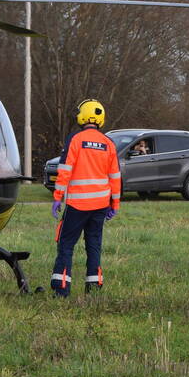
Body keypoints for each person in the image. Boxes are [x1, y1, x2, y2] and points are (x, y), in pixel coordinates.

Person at [50, 99, 122, 298]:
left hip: (77, 205)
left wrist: (57, 197)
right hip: (100, 205)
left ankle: (61, 289)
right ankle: (94, 287)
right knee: (94, 245)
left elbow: (64, 170)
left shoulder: (75, 139)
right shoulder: (108, 143)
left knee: (66, 244)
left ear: (81, 116)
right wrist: (114, 204)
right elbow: (115, 177)